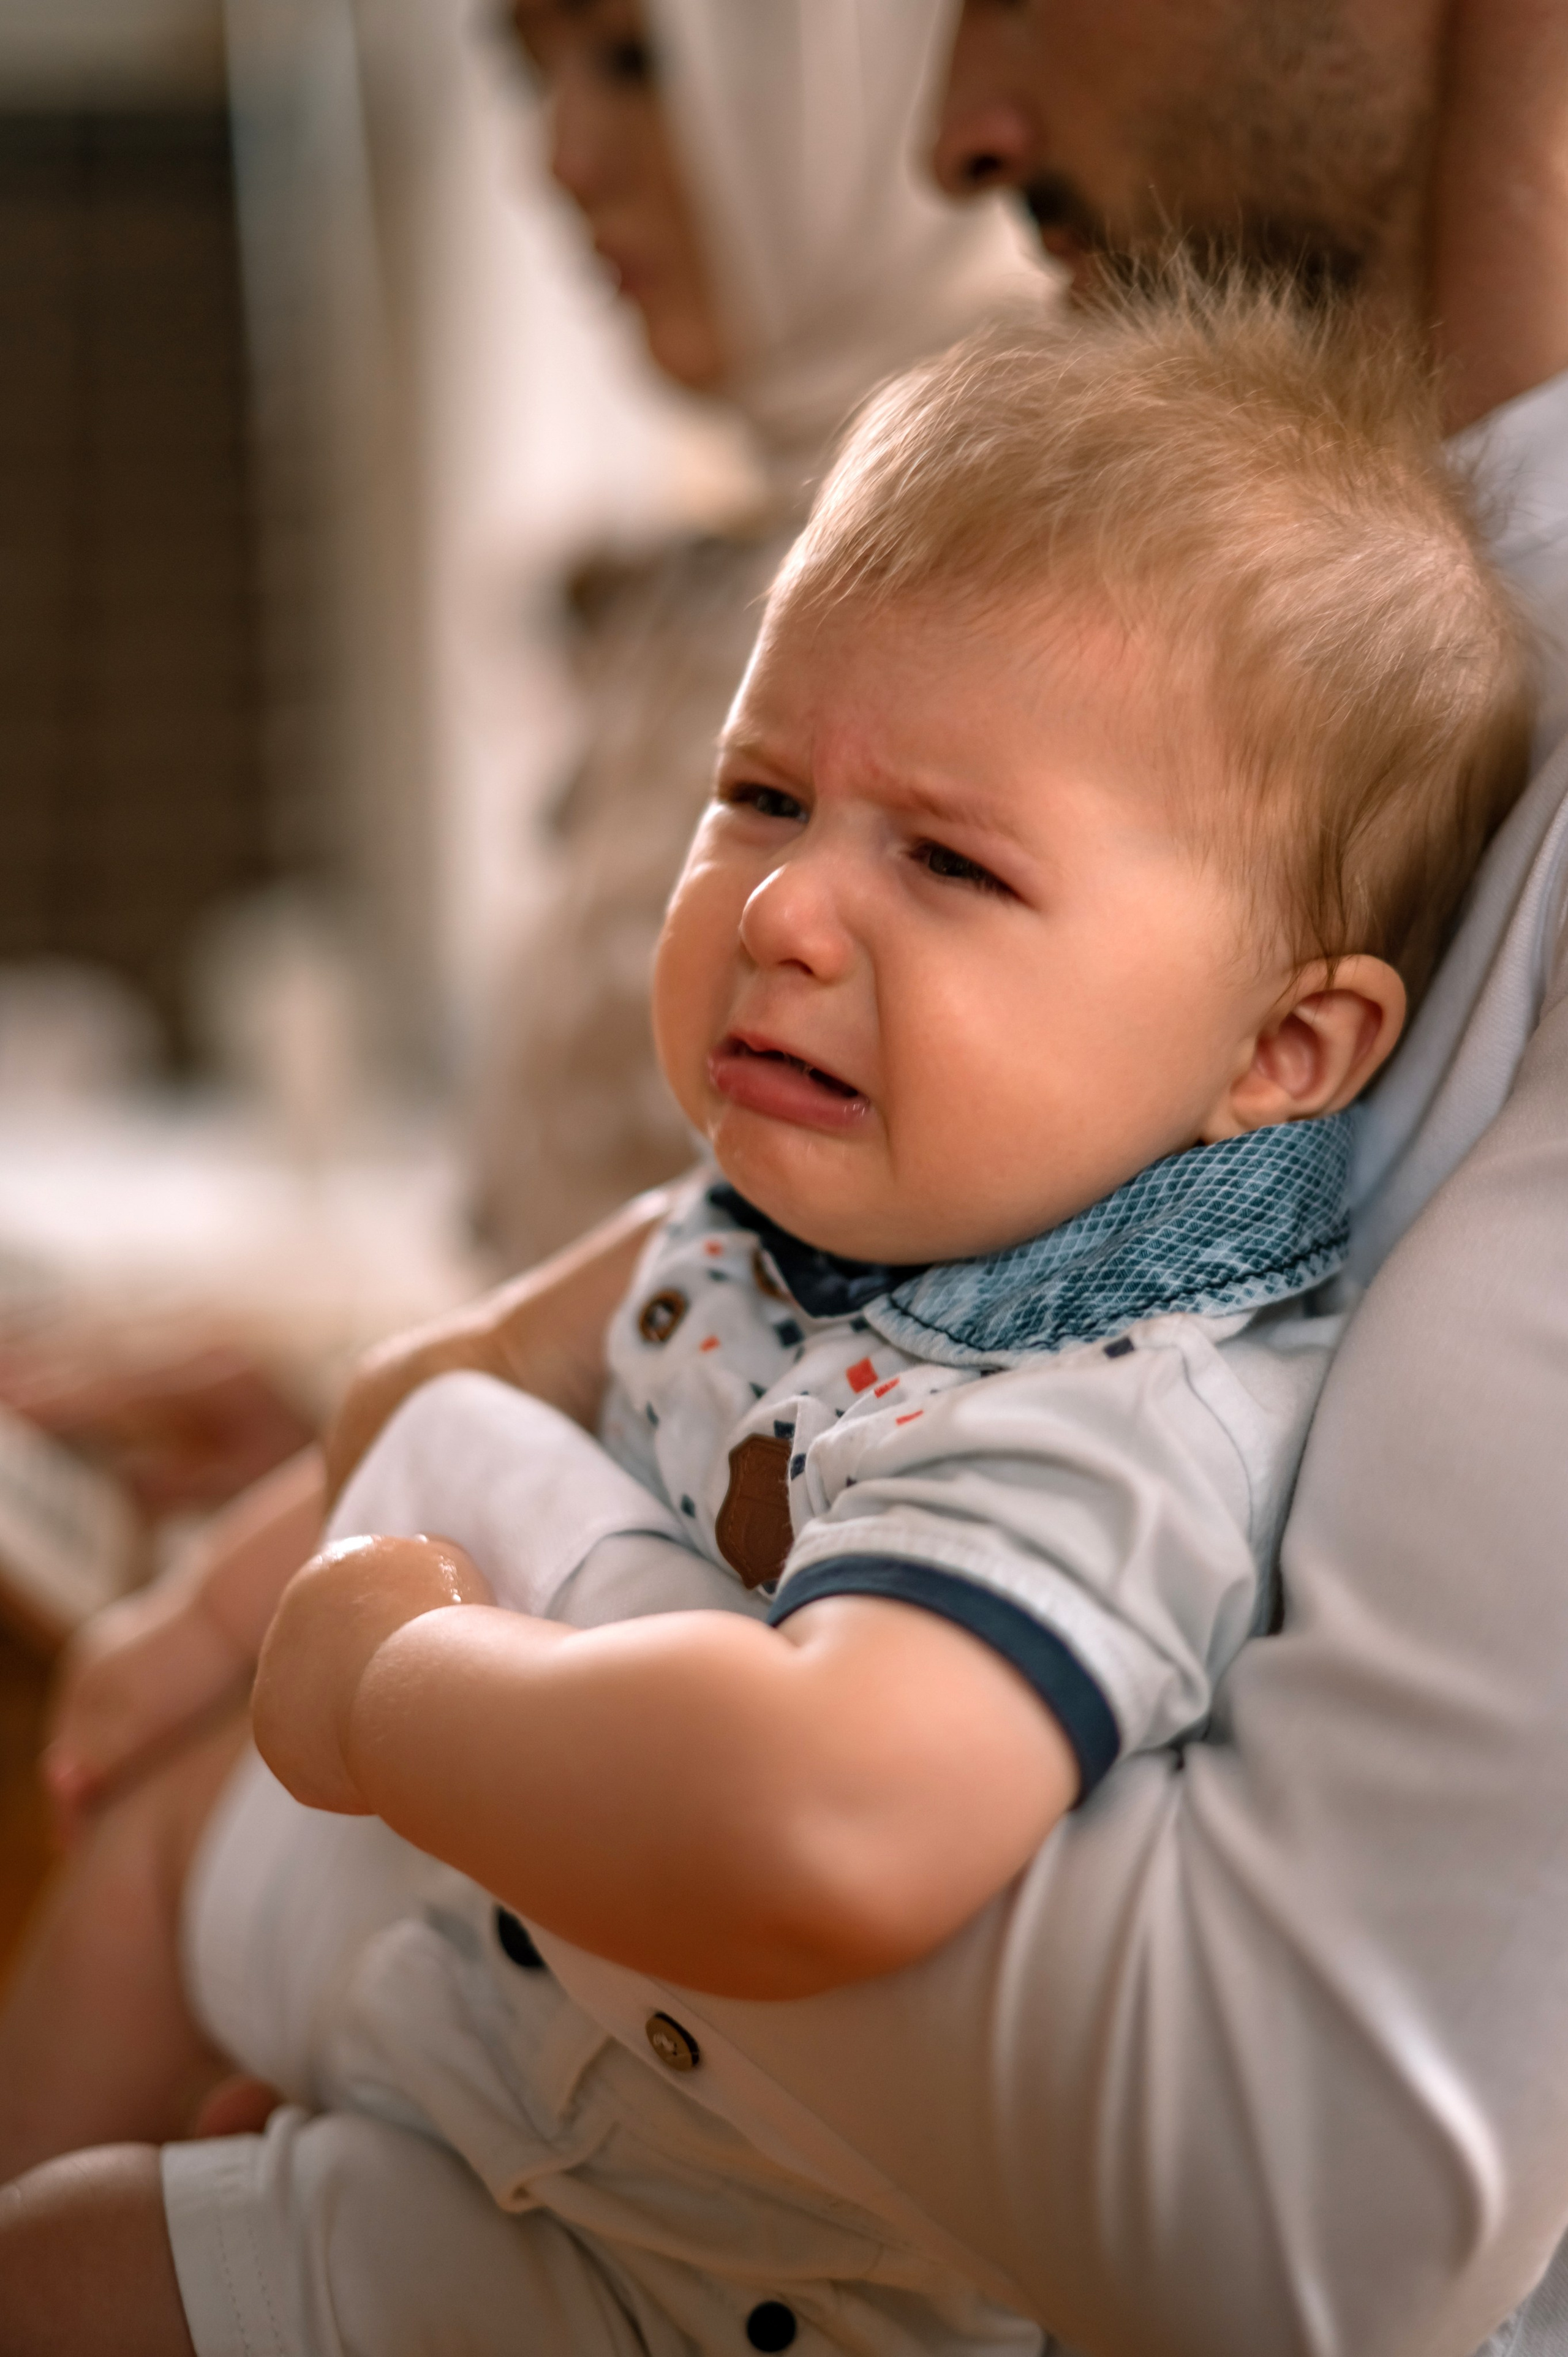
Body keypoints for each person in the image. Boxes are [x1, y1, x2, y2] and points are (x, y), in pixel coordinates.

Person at [6, 5, 1568, 2355]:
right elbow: (581, 1339)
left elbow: (861, 1840)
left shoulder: (1097, 1408)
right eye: (755, 799)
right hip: (541, 2088)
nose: (792, 909)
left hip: (713, 2268)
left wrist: (403, 1653)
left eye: (944, 854)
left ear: (1285, 1045)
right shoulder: (877, 1225)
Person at [469, 0, 1036, 1267]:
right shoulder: (757, 545)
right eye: (529, 75)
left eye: (634, 62)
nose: (558, 159)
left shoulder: (1068, 561)